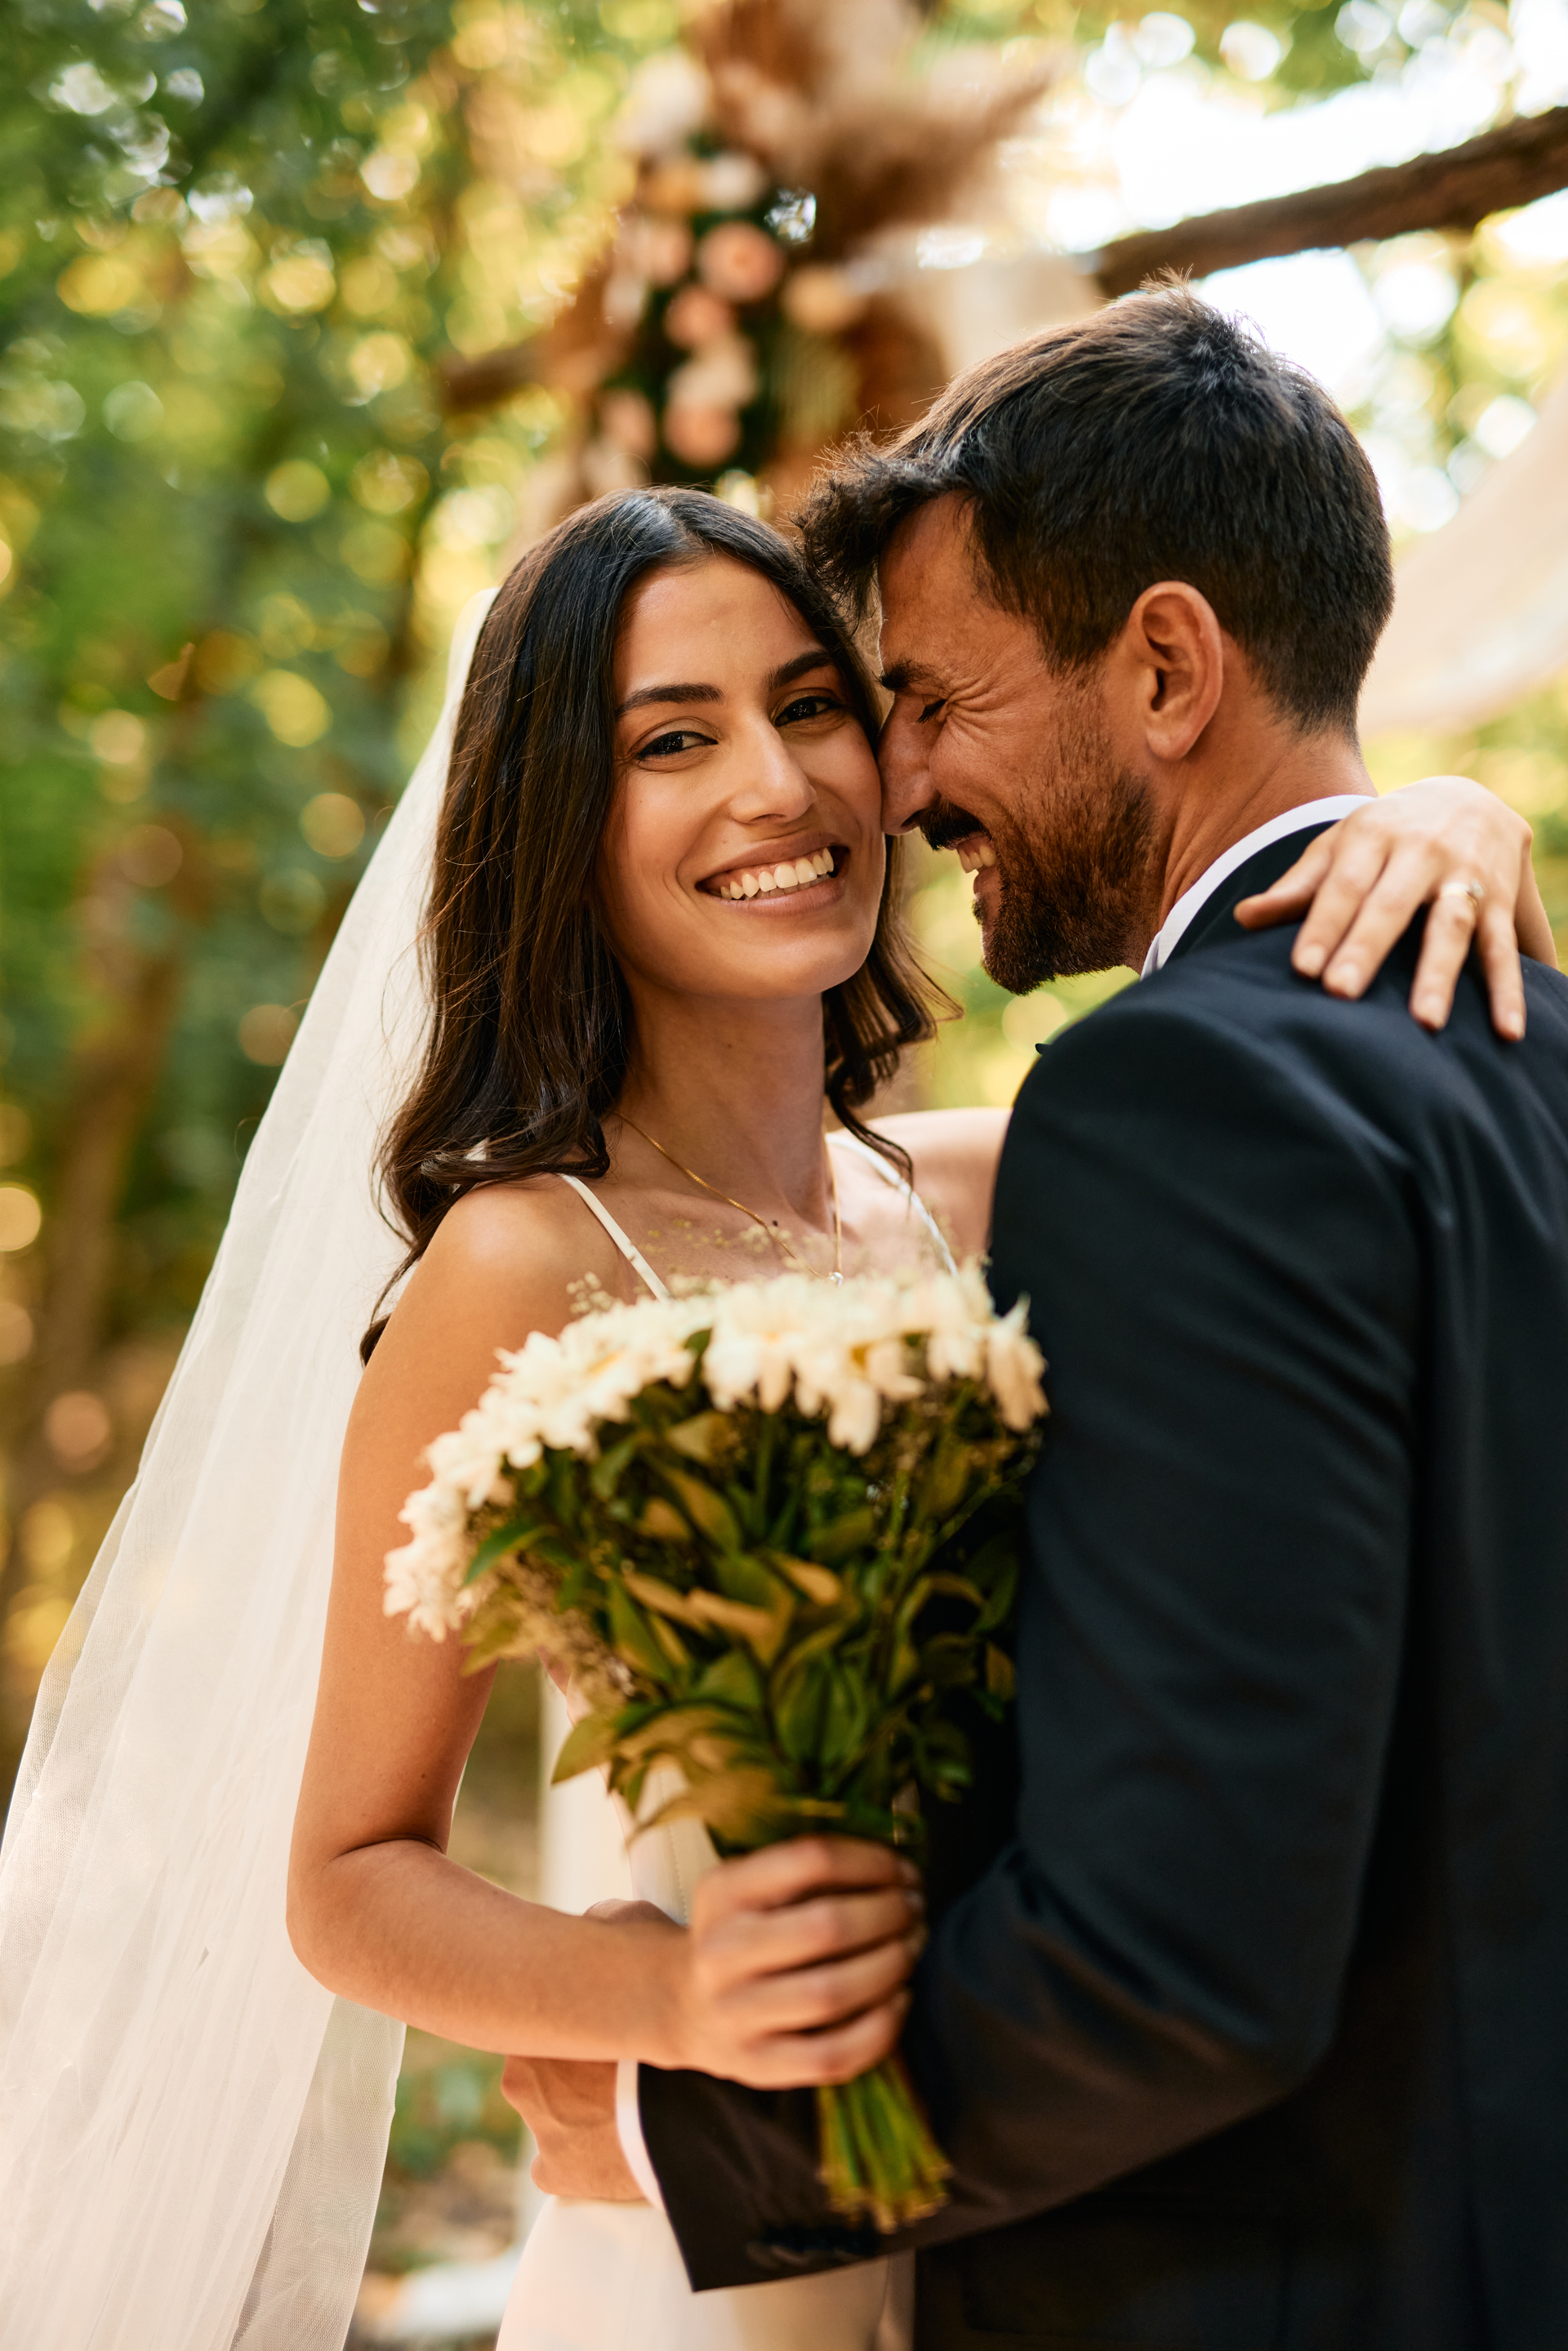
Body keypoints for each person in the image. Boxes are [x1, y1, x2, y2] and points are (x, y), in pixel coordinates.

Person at [0, 474, 1544, 2351]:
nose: (780, 784)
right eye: (673, 737)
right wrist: (662, 2009)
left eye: (818, 706)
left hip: (1038, 2164)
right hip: (721, 2214)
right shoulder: (515, 1265)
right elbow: (344, 1879)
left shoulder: (987, 1187)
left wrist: (1455, 815)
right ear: (563, 820)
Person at [513, 297, 1568, 2351]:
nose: (889, 788)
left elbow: (1179, 1963)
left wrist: (670, 2140)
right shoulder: (1539, 1051)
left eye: (924, 700)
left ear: (1165, 665)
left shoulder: (1173, 1106)